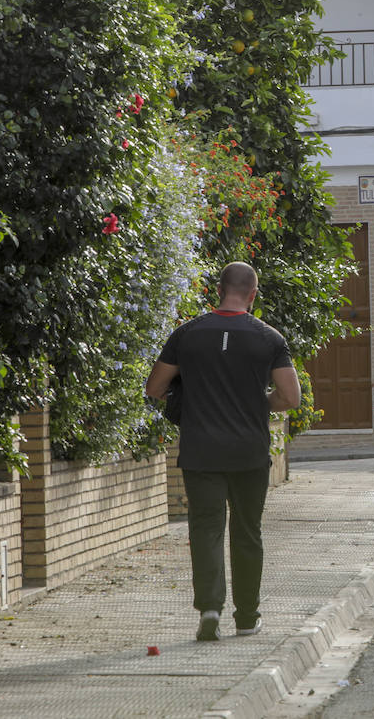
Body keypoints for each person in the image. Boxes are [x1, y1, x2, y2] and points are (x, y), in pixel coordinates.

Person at [145, 261, 301, 642]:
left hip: (200, 450)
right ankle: (247, 617)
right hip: (249, 451)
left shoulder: (187, 334)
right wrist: (257, 402)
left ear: (218, 289)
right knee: (247, 532)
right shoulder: (268, 338)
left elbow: (154, 388)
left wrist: (194, 396)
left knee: (206, 529)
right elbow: (291, 397)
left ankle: (210, 610)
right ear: (253, 293)